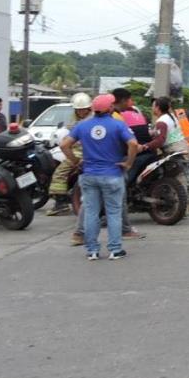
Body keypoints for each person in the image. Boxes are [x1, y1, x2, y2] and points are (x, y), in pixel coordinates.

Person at [60, 94, 137, 261]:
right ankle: (115, 250)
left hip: (89, 174)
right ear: (110, 108)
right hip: (112, 174)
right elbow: (133, 144)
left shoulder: (82, 125)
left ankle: (92, 250)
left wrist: (75, 161)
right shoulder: (118, 125)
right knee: (114, 213)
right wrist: (129, 163)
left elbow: (64, 145)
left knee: (91, 212)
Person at [47, 93, 92, 216]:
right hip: (87, 150)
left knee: (59, 173)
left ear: (89, 108)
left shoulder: (84, 122)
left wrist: (75, 159)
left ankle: (60, 204)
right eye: (78, 110)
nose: (81, 112)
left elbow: (68, 141)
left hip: (81, 152)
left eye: (83, 109)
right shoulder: (86, 119)